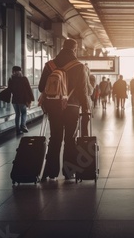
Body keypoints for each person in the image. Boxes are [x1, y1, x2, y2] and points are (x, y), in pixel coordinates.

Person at [38, 38, 90, 180]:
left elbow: (41, 87)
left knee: (55, 138)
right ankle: (69, 172)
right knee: (70, 139)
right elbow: (83, 91)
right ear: (75, 48)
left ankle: (51, 172)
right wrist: (86, 109)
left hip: (53, 106)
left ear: (62, 47)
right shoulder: (79, 66)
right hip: (72, 106)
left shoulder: (50, 65)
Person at [8, 66, 35, 135]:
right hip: (22, 100)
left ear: (13, 71)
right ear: (20, 71)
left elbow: (9, 90)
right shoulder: (24, 79)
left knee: (17, 114)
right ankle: (23, 126)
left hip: (14, 100)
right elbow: (29, 89)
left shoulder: (11, 79)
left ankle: (17, 129)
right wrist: (31, 98)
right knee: (24, 113)